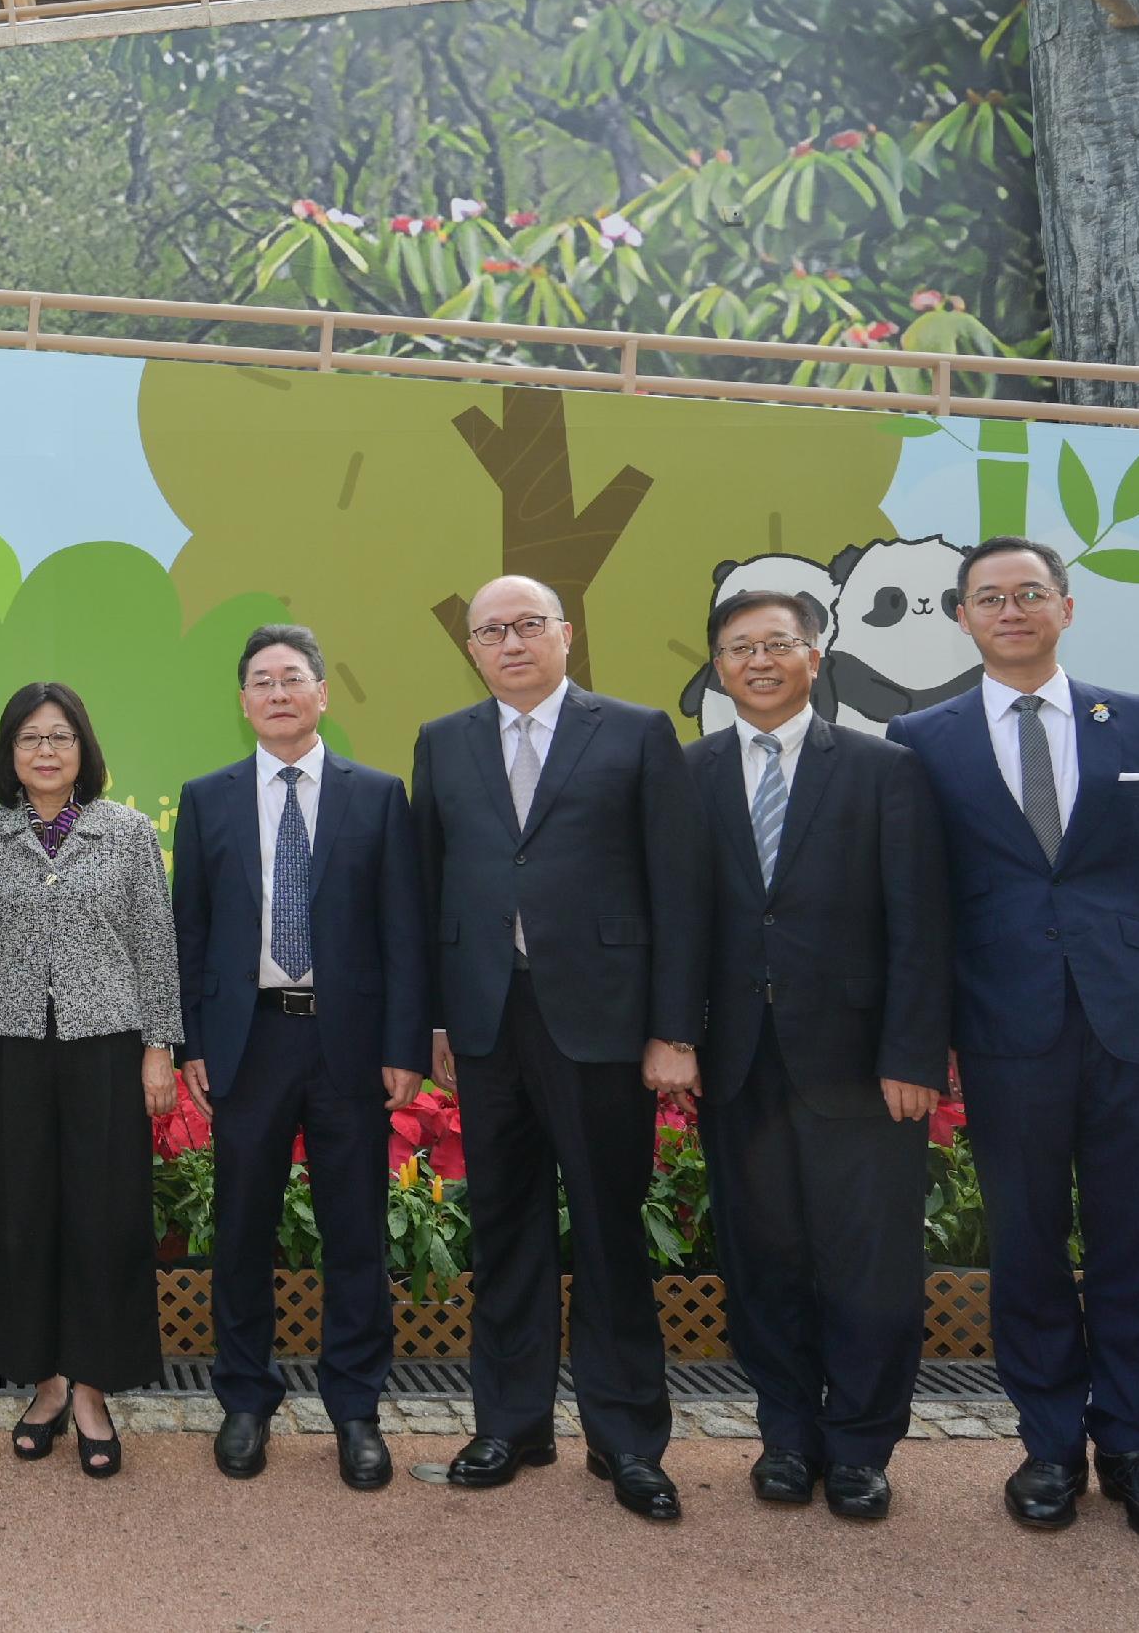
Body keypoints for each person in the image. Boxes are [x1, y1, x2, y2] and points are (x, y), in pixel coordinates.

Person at [887, 536, 1139, 1550]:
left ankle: (1135, 1451)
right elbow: (914, 904)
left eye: (1028, 593)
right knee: (1026, 1243)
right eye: (988, 597)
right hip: (1002, 1027)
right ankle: (1047, 1445)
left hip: (1134, 1025)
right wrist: (921, 1042)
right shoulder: (919, 736)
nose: (1009, 610)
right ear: (961, 616)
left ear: (1066, 608)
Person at [419, 574, 705, 1523]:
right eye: (490, 630)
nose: (510, 643)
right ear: (471, 648)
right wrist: (433, 1022)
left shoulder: (634, 731)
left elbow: (677, 891)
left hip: (604, 1023)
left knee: (610, 1232)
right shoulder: (444, 742)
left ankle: (626, 1440)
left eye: (527, 625)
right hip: (488, 1022)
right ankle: (512, 1421)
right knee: (504, 1229)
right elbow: (430, 893)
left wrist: (673, 1029)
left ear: (566, 634)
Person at [687, 585, 950, 1522]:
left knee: (869, 1262)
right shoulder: (693, 772)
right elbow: (680, 924)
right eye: (739, 646)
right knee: (764, 1259)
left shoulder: (885, 770)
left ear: (815, 656)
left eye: (777, 644)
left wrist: (915, 1053)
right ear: (717, 666)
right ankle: (788, 1437)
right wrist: (678, 1037)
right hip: (739, 1064)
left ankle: (862, 1447)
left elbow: (922, 924)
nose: (758, 661)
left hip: (862, 1068)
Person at [173, 628, 419, 1490]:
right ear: (241, 701)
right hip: (249, 1042)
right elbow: (191, 933)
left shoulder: (379, 795)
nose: (277, 693)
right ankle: (245, 1400)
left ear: (322, 694)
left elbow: (403, 932)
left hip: (347, 1044)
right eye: (260, 682)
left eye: (292, 679)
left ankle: (356, 1409)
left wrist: (403, 1044)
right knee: (242, 1230)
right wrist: (191, 1044)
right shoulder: (206, 799)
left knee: (355, 1232)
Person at [0, 680, 174, 1478]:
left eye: (60, 737)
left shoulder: (126, 832)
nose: (46, 751)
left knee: (105, 1216)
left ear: (84, 748)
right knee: (21, 1216)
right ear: (9, 755)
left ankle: (92, 1387)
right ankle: (45, 1383)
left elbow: (156, 945)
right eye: (30, 739)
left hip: (107, 1049)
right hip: (13, 1050)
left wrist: (160, 1047)